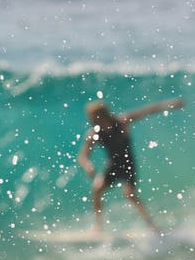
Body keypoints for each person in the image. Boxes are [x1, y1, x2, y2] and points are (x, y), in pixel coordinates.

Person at [78, 98, 185, 234]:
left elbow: (146, 111)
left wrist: (169, 105)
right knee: (97, 189)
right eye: (91, 117)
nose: (93, 120)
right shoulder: (94, 134)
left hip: (128, 164)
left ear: (103, 114)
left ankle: (152, 226)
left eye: (94, 116)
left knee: (130, 194)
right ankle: (98, 226)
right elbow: (83, 156)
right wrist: (88, 166)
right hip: (113, 165)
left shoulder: (122, 122)